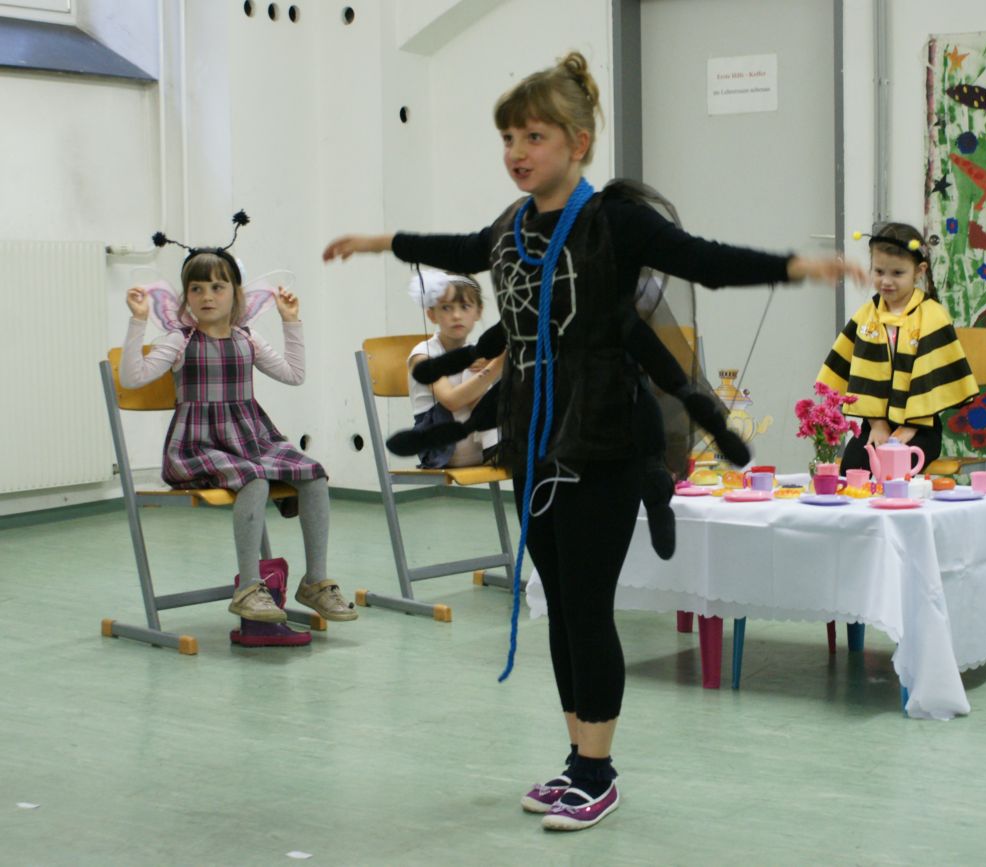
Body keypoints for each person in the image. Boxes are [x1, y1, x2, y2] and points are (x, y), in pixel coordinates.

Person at [322, 51, 861, 831]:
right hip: (532, 438)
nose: (516, 152)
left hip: (603, 436)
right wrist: (381, 240)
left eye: (533, 136)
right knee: (559, 603)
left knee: (587, 604)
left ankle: (598, 773)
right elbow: (463, 247)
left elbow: (702, 260)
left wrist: (799, 265)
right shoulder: (512, 227)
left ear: (577, 142)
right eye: (508, 138)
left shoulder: (615, 220)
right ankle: (578, 759)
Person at [122, 217, 357, 626]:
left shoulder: (246, 337)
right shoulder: (179, 339)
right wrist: (138, 320)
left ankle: (315, 581)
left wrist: (290, 321)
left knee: (314, 473)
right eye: (197, 288)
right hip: (196, 444)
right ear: (185, 296)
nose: (207, 297)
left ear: (236, 293)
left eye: (218, 287)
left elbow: (294, 374)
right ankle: (249, 587)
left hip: (250, 437)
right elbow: (131, 378)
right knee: (254, 478)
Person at [815, 222, 978, 474]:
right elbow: (860, 375)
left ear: (919, 271)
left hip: (921, 427)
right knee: (854, 466)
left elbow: (933, 381)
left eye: (897, 273)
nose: (886, 281)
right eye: (879, 271)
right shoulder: (867, 315)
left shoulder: (932, 316)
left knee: (896, 469)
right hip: (875, 422)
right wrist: (877, 424)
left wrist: (910, 427)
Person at [405, 267, 501, 468]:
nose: (456, 315)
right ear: (432, 314)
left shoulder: (477, 353)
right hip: (441, 448)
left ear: (478, 312)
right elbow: (451, 401)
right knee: (474, 372)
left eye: (465, 306)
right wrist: (497, 365)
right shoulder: (422, 354)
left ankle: (498, 445)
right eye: (446, 308)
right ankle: (495, 445)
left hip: (474, 444)